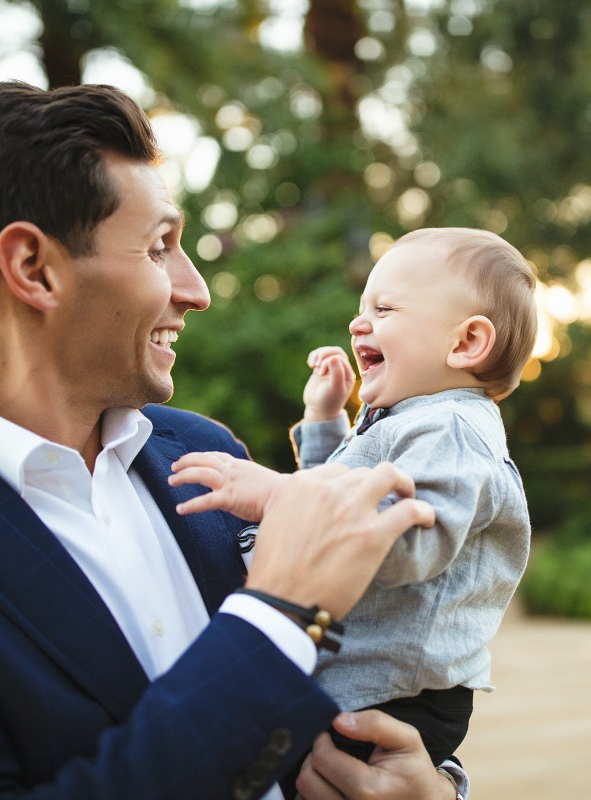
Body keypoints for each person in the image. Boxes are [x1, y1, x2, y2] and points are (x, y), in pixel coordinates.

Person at [0, 81, 465, 800]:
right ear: (34, 269)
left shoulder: (202, 454)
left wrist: (429, 792)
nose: (195, 289)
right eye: (159, 247)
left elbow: (288, 737)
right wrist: (279, 611)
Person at [171, 227, 535, 768]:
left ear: (465, 343)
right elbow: (340, 499)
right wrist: (324, 423)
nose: (357, 322)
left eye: (385, 308)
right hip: (365, 682)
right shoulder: (406, 419)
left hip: (396, 695)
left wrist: (277, 493)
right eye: (363, 306)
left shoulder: (451, 429)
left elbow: (403, 539)